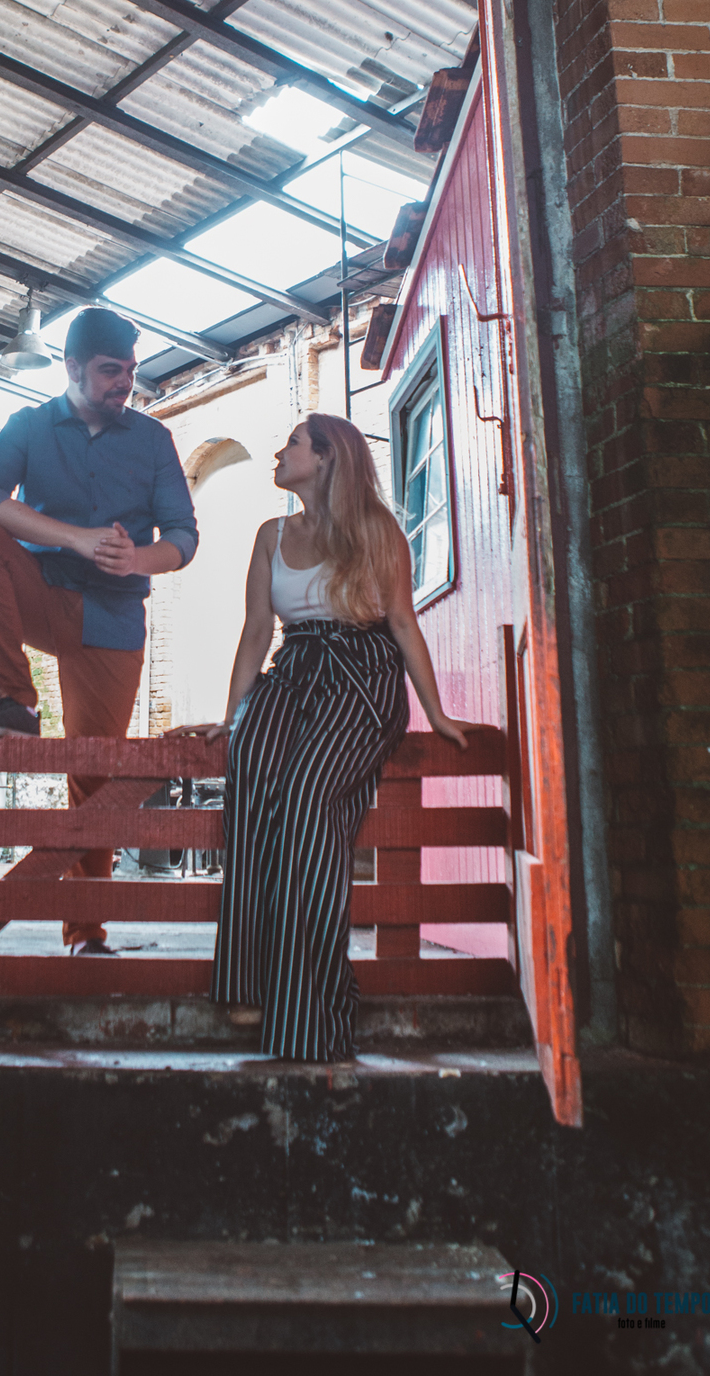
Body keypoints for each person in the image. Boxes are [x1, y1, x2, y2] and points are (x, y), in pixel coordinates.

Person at [171, 413, 467, 1062]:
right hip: (294, 670)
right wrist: (230, 714)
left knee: (307, 800)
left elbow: (404, 624)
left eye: (293, 445)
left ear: (329, 459)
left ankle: (315, 1015)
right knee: (248, 765)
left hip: (362, 676)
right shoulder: (270, 534)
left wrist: (435, 713)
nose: (279, 453)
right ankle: (250, 982)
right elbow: (256, 631)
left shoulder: (376, 531)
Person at [0, 307, 198, 954]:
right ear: (74, 368)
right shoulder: (28, 426)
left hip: (114, 618)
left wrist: (139, 559)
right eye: (111, 371)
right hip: (45, 596)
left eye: (131, 372)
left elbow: (182, 536)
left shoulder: (151, 439)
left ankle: (86, 933)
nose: (124, 384)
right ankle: (16, 702)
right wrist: (74, 540)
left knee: (94, 773)